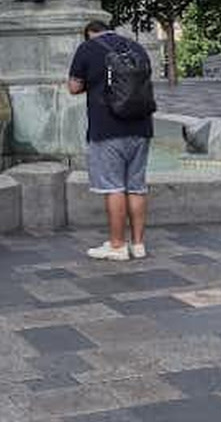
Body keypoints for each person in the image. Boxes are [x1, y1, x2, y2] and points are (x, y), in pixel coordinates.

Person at [68, 20, 155, 261]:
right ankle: (138, 244)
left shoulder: (87, 48)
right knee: (137, 186)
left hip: (107, 127)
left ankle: (117, 245)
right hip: (141, 125)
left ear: (89, 34)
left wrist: (92, 83)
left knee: (113, 187)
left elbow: (74, 87)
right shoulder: (136, 47)